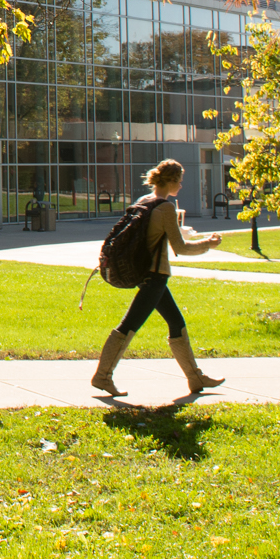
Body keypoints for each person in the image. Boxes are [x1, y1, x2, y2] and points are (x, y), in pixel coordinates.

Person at [91, 159, 225, 398]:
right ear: (171, 181)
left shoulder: (143, 203)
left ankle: (195, 378)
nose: (181, 186)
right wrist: (209, 244)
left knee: (176, 323)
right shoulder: (165, 208)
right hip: (155, 277)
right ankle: (102, 376)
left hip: (146, 274)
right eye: (180, 182)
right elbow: (180, 248)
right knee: (129, 325)